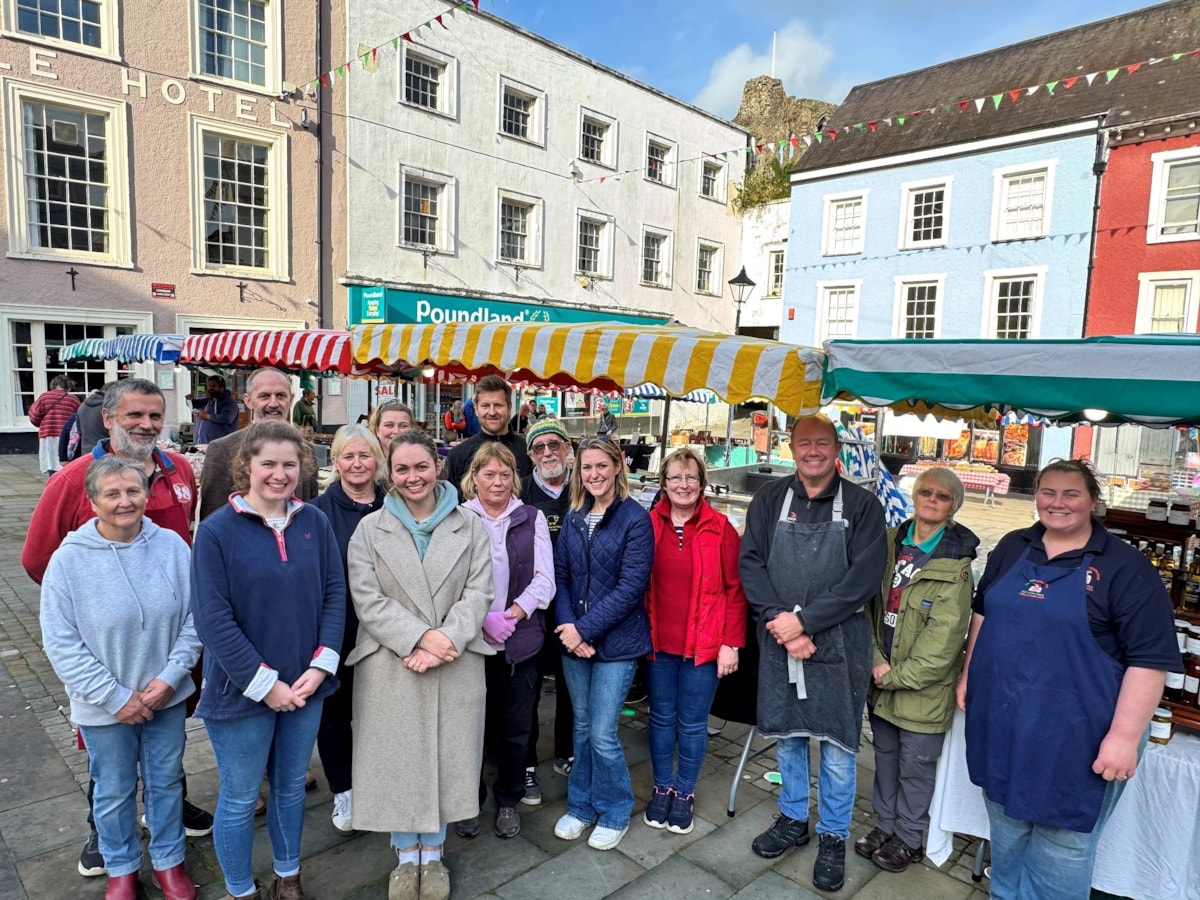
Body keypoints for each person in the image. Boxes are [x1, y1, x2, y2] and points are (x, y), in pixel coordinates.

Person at [958, 459, 1181, 899]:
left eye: (1071, 494)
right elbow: (982, 612)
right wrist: (969, 676)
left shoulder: (1125, 568)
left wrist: (1124, 735)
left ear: (1094, 501)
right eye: (1048, 492)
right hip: (1004, 720)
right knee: (1006, 832)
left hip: (1078, 734)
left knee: (1063, 849)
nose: (1057, 503)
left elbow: (1149, 659)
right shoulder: (1011, 546)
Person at [22, 378, 208, 877]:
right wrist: (94, 606)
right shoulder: (72, 479)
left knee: (166, 762)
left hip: (168, 654)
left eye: (154, 415)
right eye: (134, 416)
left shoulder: (180, 468)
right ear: (108, 419)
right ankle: (104, 839)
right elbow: (40, 558)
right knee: (110, 770)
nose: (146, 425)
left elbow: (188, 562)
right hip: (108, 657)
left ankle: (170, 832)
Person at [191, 421, 346, 900]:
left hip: (306, 686)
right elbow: (212, 617)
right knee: (238, 799)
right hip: (240, 692)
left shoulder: (313, 522)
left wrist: (321, 666)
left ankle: (288, 877)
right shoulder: (217, 531)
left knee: (290, 790)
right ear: (247, 467)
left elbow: (334, 594)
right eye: (269, 464)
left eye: (289, 464)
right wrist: (265, 684)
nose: (280, 474)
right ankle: (240, 890)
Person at [739, 414, 887, 893]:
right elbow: (752, 564)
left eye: (822, 443)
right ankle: (792, 820)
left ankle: (833, 836)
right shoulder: (769, 500)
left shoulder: (864, 506)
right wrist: (782, 624)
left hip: (841, 647)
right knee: (788, 736)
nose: (813, 451)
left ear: (836, 448)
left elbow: (862, 581)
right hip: (780, 639)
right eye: (804, 443)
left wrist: (805, 622)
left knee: (839, 748)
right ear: (791, 448)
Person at [346, 430, 494, 900]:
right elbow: (366, 598)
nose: (413, 477)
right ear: (390, 472)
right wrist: (418, 637)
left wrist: (442, 641)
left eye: (421, 467)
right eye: (403, 469)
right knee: (397, 762)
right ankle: (403, 858)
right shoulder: (370, 529)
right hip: (392, 661)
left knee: (446, 760)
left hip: (452, 659)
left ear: (439, 466)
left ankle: (434, 856)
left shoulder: (470, 526)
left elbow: (480, 592)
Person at [855, 467, 977, 873]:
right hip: (881, 674)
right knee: (884, 757)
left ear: (953, 507)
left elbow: (944, 641)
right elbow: (869, 608)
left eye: (942, 496)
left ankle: (909, 836)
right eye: (925, 491)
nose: (931, 499)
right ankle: (883, 825)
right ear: (913, 496)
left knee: (916, 767)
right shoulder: (890, 543)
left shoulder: (956, 563)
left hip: (921, 688)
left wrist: (893, 675)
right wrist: (875, 660)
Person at [551, 436, 653, 852]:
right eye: (586, 467)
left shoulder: (634, 519)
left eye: (601, 466)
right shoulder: (574, 516)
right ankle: (581, 805)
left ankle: (614, 809)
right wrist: (568, 628)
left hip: (617, 643)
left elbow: (632, 587)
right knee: (581, 728)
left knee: (604, 734)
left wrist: (583, 631)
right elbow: (559, 578)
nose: (593, 474)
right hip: (574, 640)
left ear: (617, 467)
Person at [643, 448, 747, 835]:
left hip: (704, 644)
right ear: (663, 484)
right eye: (675, 478)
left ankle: (684, 792)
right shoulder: (648, 524)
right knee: (660, 719)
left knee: (691, 724)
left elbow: (736, 591)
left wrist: (731, 643)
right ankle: (661, 787)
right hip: (658, 643)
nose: (683, 485)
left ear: (702, 483)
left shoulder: (720, 528)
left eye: (690, 478)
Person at [455, 442, 553, 840]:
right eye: (488, 474)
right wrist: (480, 620)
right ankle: (466, 801)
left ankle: (509, 800)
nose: (497, 482)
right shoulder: (458, 518)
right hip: (471, 644)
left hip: (518, 642)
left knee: (515, 730)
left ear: (515, 478)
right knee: (469, 730)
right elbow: (450, 583)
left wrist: (511, 615)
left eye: (504, 474)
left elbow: (545, 581)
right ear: (473, 477)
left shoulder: (532, 518)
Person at [309, 425, 387, 835]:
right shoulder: (316, 512)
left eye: (365, 455)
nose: (357, 464)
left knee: (381, 712)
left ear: (378, 459)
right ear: (335, 461)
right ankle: (345, 789)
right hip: (339, 631)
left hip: (386, 635)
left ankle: (380, 782)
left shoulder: (395, 505)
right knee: (335, 715)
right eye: (347, 456)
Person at [521, 419, 576, 799]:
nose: (547, 453)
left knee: (572, 686)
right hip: (530, 609)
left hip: (573, 609)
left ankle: (567, 752)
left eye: (554, 445)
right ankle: (525, 763)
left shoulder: (583, 489)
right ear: (530, 456)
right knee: (528, 690)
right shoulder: (520, 493)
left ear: (568, 448)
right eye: (538, 448)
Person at [199, 368, 319, 521]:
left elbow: (310, 511)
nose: (274, 403)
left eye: (281, 395)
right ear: (248, 401)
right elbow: (212, 518)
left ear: (291, 398)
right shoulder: (222, 450)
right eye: (265, 396)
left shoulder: (306, 450)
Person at [444, 375, 532, 500]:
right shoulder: (458, 455)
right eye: (485, 406)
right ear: (476, 409)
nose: (492, 412)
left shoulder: (528, 451)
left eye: (498, 405)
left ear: (509, 407)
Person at [30, 374, 81, 475]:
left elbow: (34, 415)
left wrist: (41, 424)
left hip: (47, 433)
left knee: (50, 463)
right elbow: (79, 419)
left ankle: (52, 483)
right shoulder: (74, 400)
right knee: (64, 463)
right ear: (69, 386)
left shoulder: (44, 397)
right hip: (67, 435)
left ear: (54, 384)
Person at [192, 375, 240, 444]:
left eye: (214, 386)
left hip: (221, 448)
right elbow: (194, 404)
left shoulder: (229, 403)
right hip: (202, 446)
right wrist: (189, 400)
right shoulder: (208, 401)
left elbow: (227, 418)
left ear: (221, 388)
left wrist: (207, 416)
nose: (210, 388)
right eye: (209, 385)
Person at [77, 381, 113, 456]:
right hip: (104, 452)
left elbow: (78, 431)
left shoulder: (82, 406)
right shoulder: (108, 408)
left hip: (86, 451)